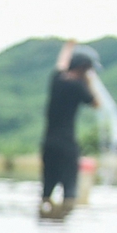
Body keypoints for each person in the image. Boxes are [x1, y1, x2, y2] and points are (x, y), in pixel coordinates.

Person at [39, 39, 99, 211]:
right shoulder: (78, 87)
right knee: (69, 191)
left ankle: (45, 223)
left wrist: (68, 46)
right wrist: (88, 80)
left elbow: (61, 64)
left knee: (46, 190)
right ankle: (63, 232)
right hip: (67, 145)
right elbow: (96, 104)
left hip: (48, 144)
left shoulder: (56, 79)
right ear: (84, 69)